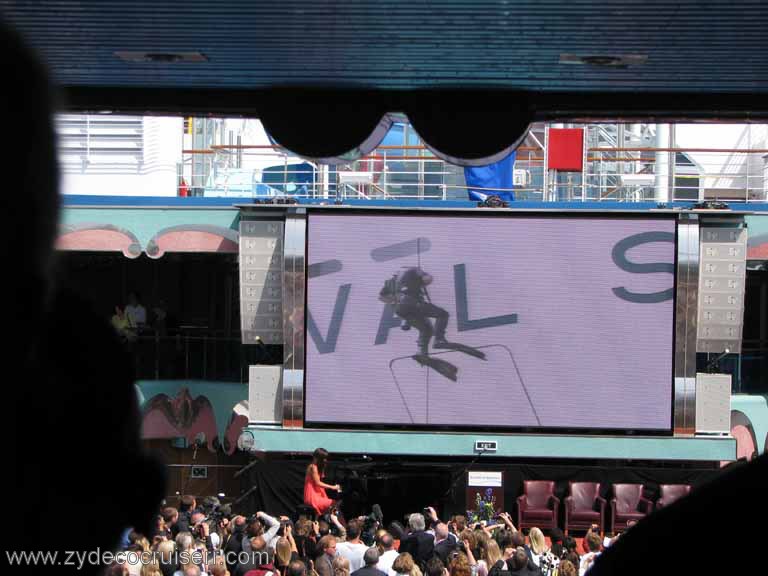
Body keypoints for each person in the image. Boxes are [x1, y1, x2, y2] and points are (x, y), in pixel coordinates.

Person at [390, 267, 450, 355]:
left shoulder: (396, 280)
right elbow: (428, 279)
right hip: (414, 303)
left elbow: (383, 296)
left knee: (425, 329)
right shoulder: (414, 270)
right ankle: (439, 339)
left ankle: (421, 352)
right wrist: (425, 276)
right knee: (443, 314)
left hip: (401, 309)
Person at [304, 448, 341, 516]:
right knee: (333, 503)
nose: (325, 460)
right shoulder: (313, 467)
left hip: (317, 494)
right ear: (317, 458)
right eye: (323, 458)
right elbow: (318, 483)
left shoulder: (318, 467)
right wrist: (332, 487)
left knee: (333, 506)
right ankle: (340, 524)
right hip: (312, 496)